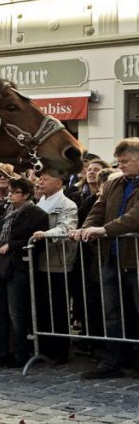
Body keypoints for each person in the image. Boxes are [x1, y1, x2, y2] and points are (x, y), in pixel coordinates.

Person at [71, 138, 139, 379]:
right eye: (119, 162)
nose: (120, 166)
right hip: (110, 257)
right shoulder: (113, 184)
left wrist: (104, 230)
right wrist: (86, 229)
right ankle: (113, 361)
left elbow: (134, 218)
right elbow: (97, 209)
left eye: (125, 161)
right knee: (112, 311)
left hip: (135, 258)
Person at [0, 177, 48, 368]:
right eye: (10, 192)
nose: (10, 195)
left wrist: (12, 245)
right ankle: (1, 351)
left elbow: (38, 241)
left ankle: (20, 353)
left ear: (26, 194)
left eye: (14, 192)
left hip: (18, 267)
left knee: (17, 313)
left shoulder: (36, 213)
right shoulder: (8, 212)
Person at [30, 174, 79, 364]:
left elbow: (67, 227)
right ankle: (45, 347)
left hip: (58, 261)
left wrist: (45, 234)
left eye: (46, 178)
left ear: (60, 182)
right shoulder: (39, 202)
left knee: (58, 307)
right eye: (40, 178)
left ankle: (60, 351)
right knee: (42, 306)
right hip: (39, 260)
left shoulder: (68, 204)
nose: (40, 182)